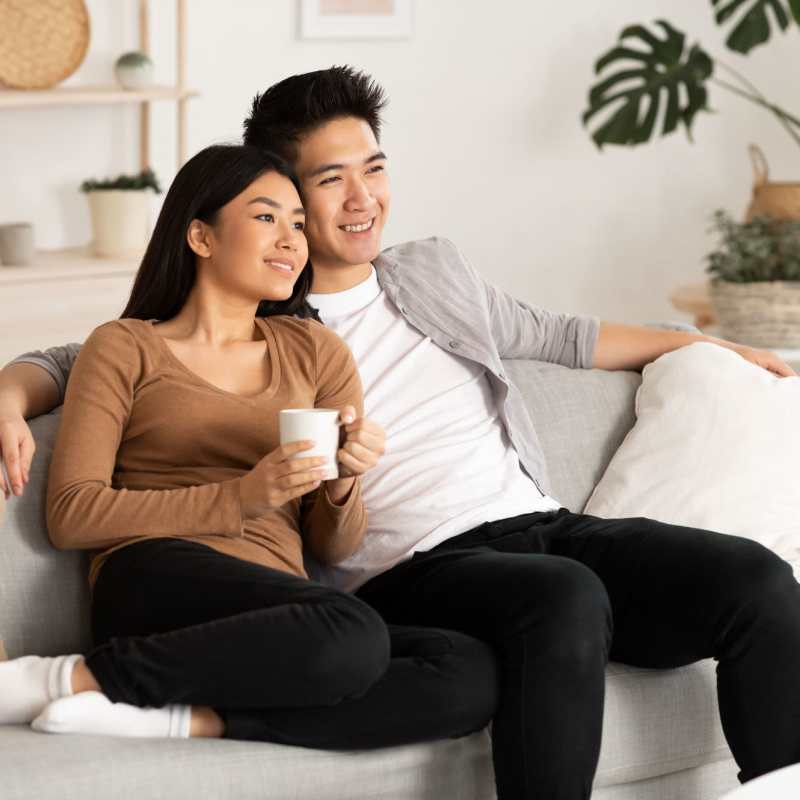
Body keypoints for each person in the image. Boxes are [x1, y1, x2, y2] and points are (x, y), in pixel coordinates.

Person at [2, 66, 800, 798]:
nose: (362, 198)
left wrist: (712, 346)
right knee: (563, 599)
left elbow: (564, 334)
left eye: (373, 168)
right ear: (281, 195)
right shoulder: (268, 314)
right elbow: (109, 352)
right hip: (416, 571)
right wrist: (12, 386)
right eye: (328, 180)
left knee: (756, 584)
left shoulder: (431, 274)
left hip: (543, 526)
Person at [0, 143, 498, 751]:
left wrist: (342, 482)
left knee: (468, 669)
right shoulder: (125, 346)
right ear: (201, 237)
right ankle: (58, 678)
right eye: (266, 218)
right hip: (155, 575)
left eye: (297, 222)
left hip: (280, 606)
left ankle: (180, 717)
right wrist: (240, 496)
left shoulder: (317, 351)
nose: (291, 239)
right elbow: (71, 513)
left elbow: (331, 545)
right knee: (351, 631)